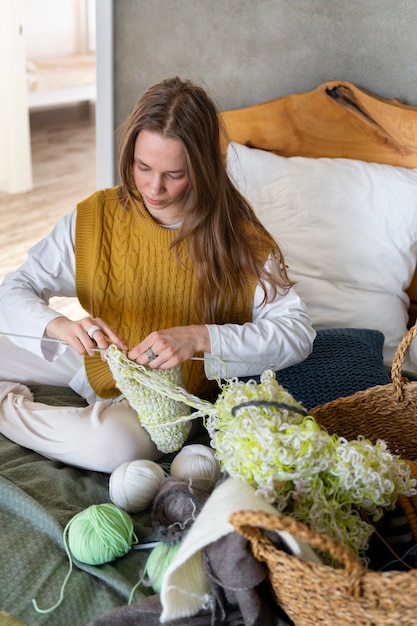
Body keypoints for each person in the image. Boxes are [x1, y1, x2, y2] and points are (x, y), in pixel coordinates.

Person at [0, 77, 315, 473]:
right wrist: (59, 326)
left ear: (201, 169)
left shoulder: (242, 242)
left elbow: (297, 333)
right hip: (96, 360)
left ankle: (6, 407)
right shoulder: (96, 217)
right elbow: (14, 287)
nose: (154, 187)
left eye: (174, 174)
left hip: (161, 400)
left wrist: (199, 337)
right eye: (142, 166)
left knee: (111, 448)